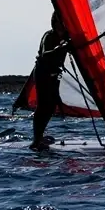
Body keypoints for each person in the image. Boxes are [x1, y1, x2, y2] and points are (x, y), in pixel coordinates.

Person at [30, 12, 71, 151]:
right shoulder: (49, 36)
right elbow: (45, 54)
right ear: (55, 22)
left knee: (52, 106)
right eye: (60, 21)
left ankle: (40, 136)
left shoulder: (66, 37)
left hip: (54, 75)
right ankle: (36, 140)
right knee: (43, 106)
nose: (63, 24)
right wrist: (61, 47)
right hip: (42, 73)